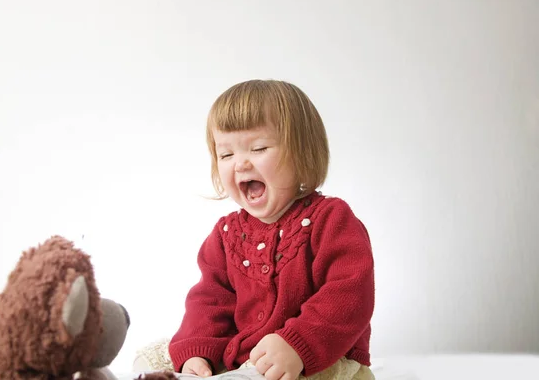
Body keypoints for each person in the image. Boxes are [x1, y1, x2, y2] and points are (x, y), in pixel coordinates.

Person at [135, 79, 375, 380]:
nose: (239, 164)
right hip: (249, 356)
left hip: (321, 358)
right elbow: (209, 301)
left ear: (302, 152)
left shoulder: (330, 219)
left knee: (272, 372)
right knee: (159, 354)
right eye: (226, 155)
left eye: (258, 148)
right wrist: (197, 349)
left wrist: (298, 345)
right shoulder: (226, 235)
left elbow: (349, 295)